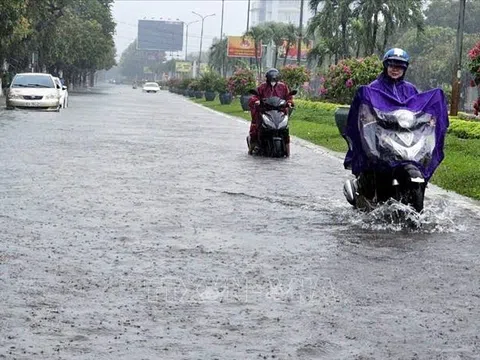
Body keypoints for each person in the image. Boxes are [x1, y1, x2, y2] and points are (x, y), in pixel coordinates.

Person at [343, 48, 419, 205]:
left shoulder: (410, 89)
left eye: (400, 66)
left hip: (403, 137)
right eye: (392, 65)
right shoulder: (373, 88)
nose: (395, 69)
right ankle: (367, 191)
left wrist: (428, 119)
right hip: (380, 137)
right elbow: (364, 111)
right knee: (376, 165)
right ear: (386, 66)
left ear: (405, 69)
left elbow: (418, 109)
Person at [247, 68, 294, 156]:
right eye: (271, 80)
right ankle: (251, 149)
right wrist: (256, 101)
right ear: (267, 79)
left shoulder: (283, 87)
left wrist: (290, 103)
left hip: (279, 112)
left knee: (285, 130)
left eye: (274, 80)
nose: (273, 82)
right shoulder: (262, 87)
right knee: (255, 129)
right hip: (265, 111)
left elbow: (288, 97)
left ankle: (288, 152)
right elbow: (254, 96)